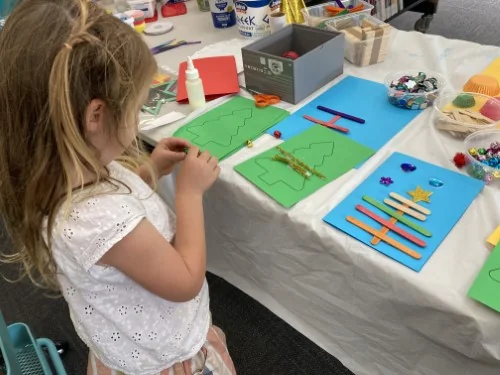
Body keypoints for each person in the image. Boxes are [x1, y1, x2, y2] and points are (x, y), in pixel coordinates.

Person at [0, 1, 236, 374]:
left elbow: (119, 211)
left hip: (125, 344)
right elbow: (185, 280)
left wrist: (151, 169)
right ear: (96, 115)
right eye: (136, 108)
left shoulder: (67, 173)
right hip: (163, 359)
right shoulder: (98, 217)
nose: (138, 118)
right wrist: (189, 193)